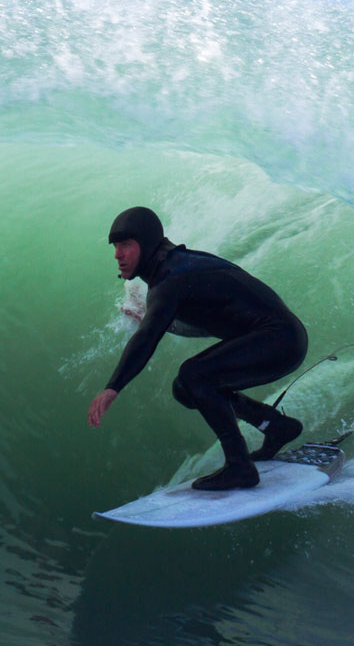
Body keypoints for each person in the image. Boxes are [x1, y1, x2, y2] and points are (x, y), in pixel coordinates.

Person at [87, 206, 308, 490]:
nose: (118, 254)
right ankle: (275, 426)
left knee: (195, 375)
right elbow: (206, 318)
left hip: (280, 340)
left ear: (146, 244)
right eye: (116, 246)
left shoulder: (170, 279)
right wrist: (156, 319)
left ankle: (240, 467)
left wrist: (112, 387)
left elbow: (146, 339)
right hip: (277, 337)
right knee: (186, 387)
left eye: (126, 245)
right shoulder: (175, 266)